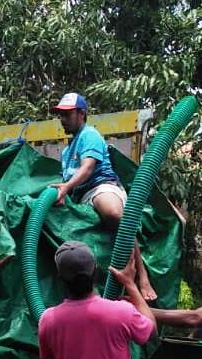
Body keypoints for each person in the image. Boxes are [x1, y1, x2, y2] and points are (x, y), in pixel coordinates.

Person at [50, 92, 157, 301]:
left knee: (113, 213)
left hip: (101, 187)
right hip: (81, 198)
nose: (62, 119)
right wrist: (63, 194)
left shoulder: (89, 135)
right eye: (60, 115)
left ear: (81, 114)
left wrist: (67, 186)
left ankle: (141, 275)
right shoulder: (65, 152)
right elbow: (69, 182)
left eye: (67, 114)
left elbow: (88, 168)